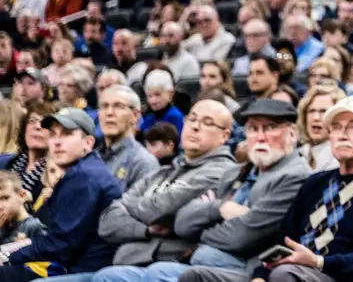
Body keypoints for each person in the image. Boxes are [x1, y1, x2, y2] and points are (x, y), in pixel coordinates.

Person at [176, 96, 353, 282]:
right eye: (336, 127)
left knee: (285, 275)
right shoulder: (316, 183)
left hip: (337, 276)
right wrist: (260, 275)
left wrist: (318, 262)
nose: (342, 134)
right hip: (291, 272)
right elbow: (282, 241)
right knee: (195, 276)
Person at [96, 97, 314, 282]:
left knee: (158, 273)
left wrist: (203, 230)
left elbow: (242, 236)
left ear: (292, 134)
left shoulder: (293, 175)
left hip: (250, 268)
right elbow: (182, 223)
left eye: (270, 128)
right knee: (110, 276)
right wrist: (219, 208)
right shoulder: (237, 172)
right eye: (253, 128)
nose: (260, 136)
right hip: (204, 259)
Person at [94, 99, 239, 267]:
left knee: (107, 276)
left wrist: (128, 206)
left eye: (207, 123)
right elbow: (106, 222)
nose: (195, 126)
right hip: (130, 261)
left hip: (174, 264)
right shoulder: (162, 172)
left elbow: (163, 210)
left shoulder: (222, 171)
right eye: (192, 119)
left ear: (224, 136)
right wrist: (146, 230)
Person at [0, 108, 123, 282]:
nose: (57, 142)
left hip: (84, 271)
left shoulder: (84, 176)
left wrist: (8, 255)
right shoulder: (87, 169)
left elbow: (60, 245)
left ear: (88, 142)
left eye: (66, 134)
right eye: (53, 135)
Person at [95, 86, 159, 192]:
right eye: (104, 106)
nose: (109, 112)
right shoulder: (91, 158)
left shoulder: (143, 162)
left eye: (118, 106)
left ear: (135, 115)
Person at [297, 84, 341, 170]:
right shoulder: (300, 153)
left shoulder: (341, 158)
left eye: (323, 111)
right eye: (311, 111)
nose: (316, 117)